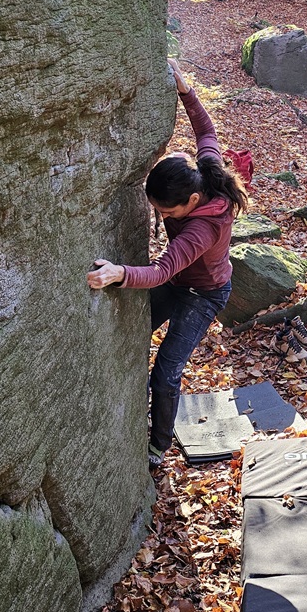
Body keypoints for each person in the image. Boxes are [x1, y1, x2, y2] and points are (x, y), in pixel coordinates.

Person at [87, 60, 248, 468]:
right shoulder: (204, 170)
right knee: (134, 333)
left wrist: (119, 273)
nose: (158, 212)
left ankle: (158, 446)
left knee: (166, 371)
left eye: (163, 209)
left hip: (204, 294)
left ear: (190, 203)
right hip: (179, 282)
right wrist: (185, 90)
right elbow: (207, 133)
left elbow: (162, 270)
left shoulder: (203, 230)